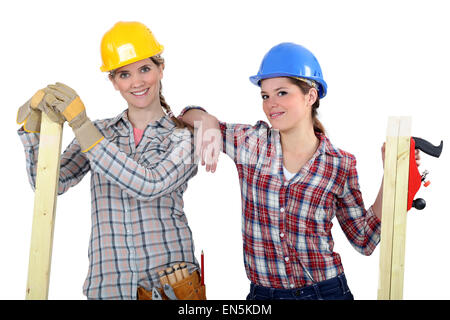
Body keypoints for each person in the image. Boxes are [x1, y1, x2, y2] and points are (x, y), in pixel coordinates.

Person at [180, 42, 420, 300]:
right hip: (264, 296)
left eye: (282, 93)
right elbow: (186, 117)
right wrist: (204, 119)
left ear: (311, 96)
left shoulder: (339, 164)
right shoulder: (250, 144)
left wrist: (392, 176)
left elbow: (364, 240)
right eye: (265, 95)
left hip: (326, 293)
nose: (271, 104)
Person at [16, 21, 205, 300]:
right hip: (109, 286)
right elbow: (49, 184)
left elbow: (148, 184)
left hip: (169, 287)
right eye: (124, 74)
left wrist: (82, 126)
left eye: (145, 69)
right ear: (113, 82)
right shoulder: (100, 132)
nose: (137, 82)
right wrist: (33, 131)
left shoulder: (184, 136)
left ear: (160, 69)